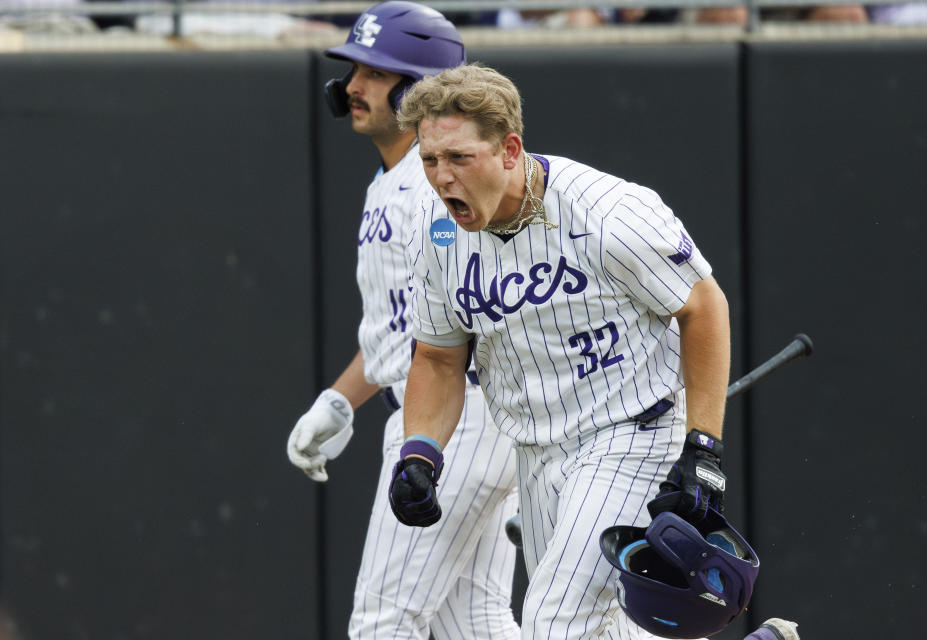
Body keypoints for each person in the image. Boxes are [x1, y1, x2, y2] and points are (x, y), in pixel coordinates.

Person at [388, 62, 800, 639]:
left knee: (554, 626)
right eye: (430, 159)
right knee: (611, 632)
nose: (441, 176)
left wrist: (703, 445)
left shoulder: (607, 210)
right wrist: (420, 453)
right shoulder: (434, 233)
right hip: (534, 452)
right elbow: (438, 357)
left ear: (509, 150)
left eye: (459, 157)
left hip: (628, 435)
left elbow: (703, 306)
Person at [285, 5, 520, 639]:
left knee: (382, 625)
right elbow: (407, 325)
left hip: (453, 418)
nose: (353, 86)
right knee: (475, 623)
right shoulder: (397, 179)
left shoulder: (436, 184)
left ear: (419, 90)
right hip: (459, 415)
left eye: (374, 72)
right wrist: (341, 399)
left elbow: (474, 321)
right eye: (354, 70)